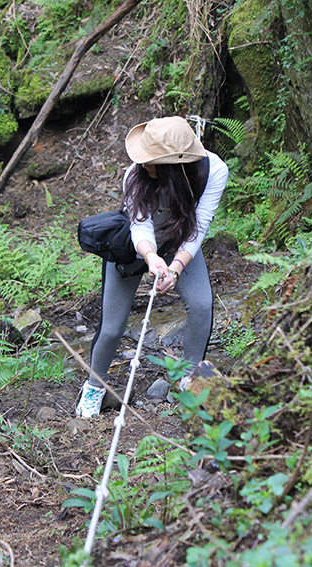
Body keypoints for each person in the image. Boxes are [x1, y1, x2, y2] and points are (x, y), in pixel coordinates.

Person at [76, 116, 229, 418]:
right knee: (112, 327)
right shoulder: (135, 174)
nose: (142, 163)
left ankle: (190, 379)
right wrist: (151, 258)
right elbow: (140, 227)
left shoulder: (215, 171)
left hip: (181, 241)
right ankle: (94, 388)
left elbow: (199, 226)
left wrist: (175, 268)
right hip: (135, 247)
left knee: (201, 305)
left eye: (150, 160)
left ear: (173, 165)